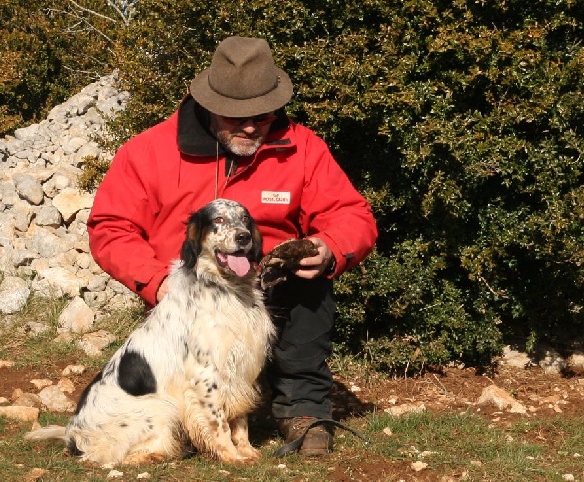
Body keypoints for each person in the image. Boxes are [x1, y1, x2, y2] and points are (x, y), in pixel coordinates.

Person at [87, 36, 377, 456]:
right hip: (188, 295)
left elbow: (351, 213)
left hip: (269, 283)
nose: (250, 126)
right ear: (207, 105)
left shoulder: (302, 146)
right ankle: (184, 419)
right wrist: (157, 283)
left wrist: (330, 246)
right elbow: (110, 227)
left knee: (310, 285)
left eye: (263, 116)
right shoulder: (147, 152)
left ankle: (302, 407)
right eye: (236, 116)